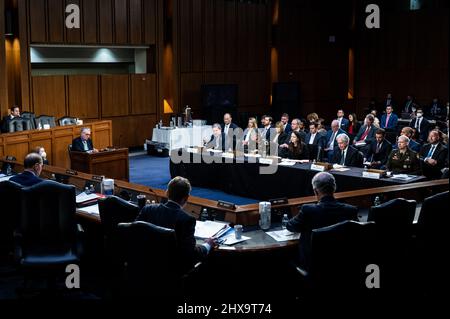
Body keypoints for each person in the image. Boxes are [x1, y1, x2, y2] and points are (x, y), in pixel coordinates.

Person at [135, 177, 217, 273]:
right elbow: (191, 255)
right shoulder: (186, 220)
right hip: (172, 273)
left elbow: (134, 234)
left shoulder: (147, 209)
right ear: (186, 198)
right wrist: (207, 245)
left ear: (167, 193)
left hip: (143, 268)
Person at [286, 172, 358, 272]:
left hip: (312, 266)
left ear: (315, 191)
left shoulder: (308, 210)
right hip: (342, 264)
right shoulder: (351, 210)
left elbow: (290, 226)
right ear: (334, 188)